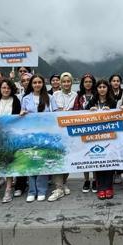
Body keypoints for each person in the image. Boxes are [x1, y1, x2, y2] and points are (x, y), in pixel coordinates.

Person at [20, 74, 58, 202]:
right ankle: (32, 191)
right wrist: (22, 114)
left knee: (42, 161)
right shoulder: (25, 99)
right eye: (34, 82)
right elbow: (21, 114)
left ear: (43, 84)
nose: (37, 85)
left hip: (45, 134)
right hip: (30, 134)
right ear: (31, 84)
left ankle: (41, 190)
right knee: (31, 161)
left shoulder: (50, 98)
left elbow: (56, 115)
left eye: (39, 82)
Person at [48, 72, 77, 202]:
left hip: (70, 130)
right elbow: (54, 112)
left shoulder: (76, 95)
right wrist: (65, 112)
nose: (66, 83)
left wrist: (65, 112)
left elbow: (76, 111)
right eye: (63, 81)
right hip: (58, 131)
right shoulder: (54, 95)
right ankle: (58, 187)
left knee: (68, 157)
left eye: (68, 81)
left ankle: (64, 182)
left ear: (71, 82)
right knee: (58, 156)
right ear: (60, 83)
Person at [89, 79, 118, 199]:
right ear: (97, 89)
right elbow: (82, 116)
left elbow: (119, 117)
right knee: (99, 162)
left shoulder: (113, 102)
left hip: (110, 137)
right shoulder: (92, 102)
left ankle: (109, 187)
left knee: (109, 162)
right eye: (99, 87)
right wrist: (89, 111)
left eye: (104, 87)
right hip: (95, 137)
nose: (102, 89)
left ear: (108, 88)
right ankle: (101, 188)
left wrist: (111, 111)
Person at [0, 79, 22, 202]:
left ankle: (8, 189)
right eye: (3, 88)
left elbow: (18, 117)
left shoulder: (15, 100)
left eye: (8, 88)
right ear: (0, 89)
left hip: (11, 135)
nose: (6, 90)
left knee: (9, 161)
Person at [74, 73, 97, 192]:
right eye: (86, 81)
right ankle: (86, 180)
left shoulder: (97, 95)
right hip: (83, 129)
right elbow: (75, 111)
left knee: (95, 155)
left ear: (93, 83)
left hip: (96, 130)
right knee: (85, 155)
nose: (88, 83)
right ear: (82, 83)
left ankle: (95, 180)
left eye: (90, 81)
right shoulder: (79, 97)